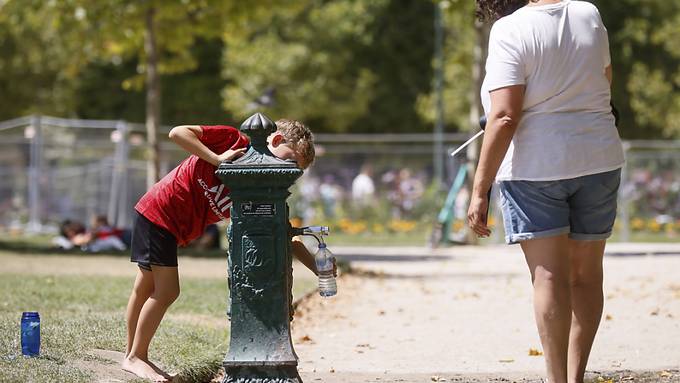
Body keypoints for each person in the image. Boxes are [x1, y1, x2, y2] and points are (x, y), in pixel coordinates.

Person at [468, 1, 624, 383]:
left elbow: (504, 115)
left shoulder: (509, 29)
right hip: (598, 158)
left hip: (536, 167)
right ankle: (575, 377)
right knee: (587, 277)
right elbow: (603, 80)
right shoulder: (589, 13)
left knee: (549, 279)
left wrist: (480, 188)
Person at [123, 119, 319, 382]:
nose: (288, 169)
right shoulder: (232, 141)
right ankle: (137, 357)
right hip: (161, 212)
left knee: (145, 287)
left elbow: (281, 232)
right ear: (274, 141)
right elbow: (177, 133)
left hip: (170, 225)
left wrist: (319, 266)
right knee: (167, 291)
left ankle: (131, 356)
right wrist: (217, 159)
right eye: (291, 160)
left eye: (295, 169)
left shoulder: (260, 187)